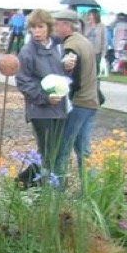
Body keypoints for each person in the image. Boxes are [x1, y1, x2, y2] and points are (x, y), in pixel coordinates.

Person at [15, 9, 71, 173]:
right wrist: (45, 97)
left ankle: (36, 186)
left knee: (55, 152)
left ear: (48, 27)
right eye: (33, 27)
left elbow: (62, 77)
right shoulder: (27, 51)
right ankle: (31, 186)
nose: (36, 31)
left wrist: (68, 68)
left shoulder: (58, 47)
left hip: (59, 108)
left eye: (40, 27)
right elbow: (23, 82)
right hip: (40, 109)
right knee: (46, 153)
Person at [52, 10, 99, 176]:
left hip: (78, 103)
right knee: (83, 150)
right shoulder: (84, 41)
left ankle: (57, 191)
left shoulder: (71, 46)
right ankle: (90, 190)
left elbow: (72, 79)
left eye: (57, 24)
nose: (54, 27)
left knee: (62, 149)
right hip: (91, 101)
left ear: (67, 25)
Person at [83, 9, 107, 75]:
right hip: (87, 51)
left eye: (91, 15)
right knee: (87, 71)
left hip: (97, 53)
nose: (89, 17)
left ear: (95, 16)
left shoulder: (102, 26)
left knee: (96, 72)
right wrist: (89, 26)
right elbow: (83, 36)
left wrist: (103, 54)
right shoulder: (86, 25)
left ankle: (96, 84)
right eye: (89, 15)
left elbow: (104, 40)